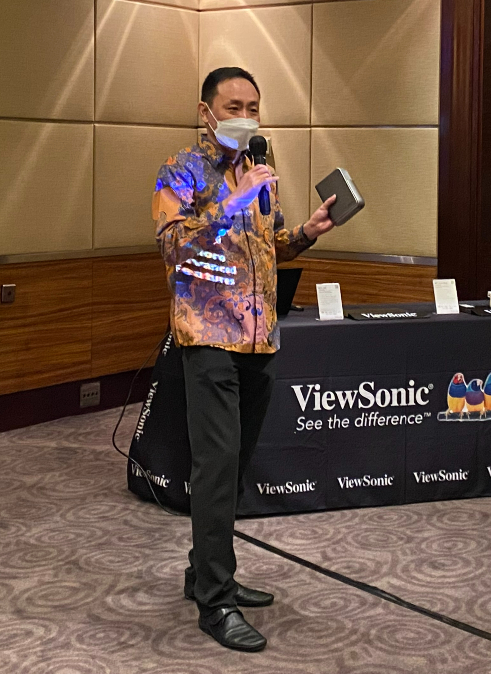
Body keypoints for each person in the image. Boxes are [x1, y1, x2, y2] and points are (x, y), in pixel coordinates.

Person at [152, 67, 336, 652]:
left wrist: (306, 231)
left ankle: (204, 572)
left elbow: (267, 247)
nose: (246, 117)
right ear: (205, 111)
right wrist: (233, 201)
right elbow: (175, 246)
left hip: (260, 339)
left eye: (253, 107)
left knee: (234, 467)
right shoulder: (182, 169)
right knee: (215, 467)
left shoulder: (259, 169)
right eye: (234, 106)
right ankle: (216, 602)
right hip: (207, 337)